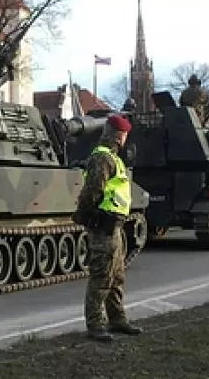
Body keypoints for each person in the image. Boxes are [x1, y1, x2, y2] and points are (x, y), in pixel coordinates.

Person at [72, 114, 142, 342]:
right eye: (124, 135)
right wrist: (88, 217)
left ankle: (117, 318)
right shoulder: (103, 159)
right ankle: (95, 324)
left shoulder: (113, 158)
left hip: (115, 226)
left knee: (117, 276)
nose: (125, 140)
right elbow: (92, 191)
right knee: (101, 276)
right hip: (103, 225)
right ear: (119, 136)